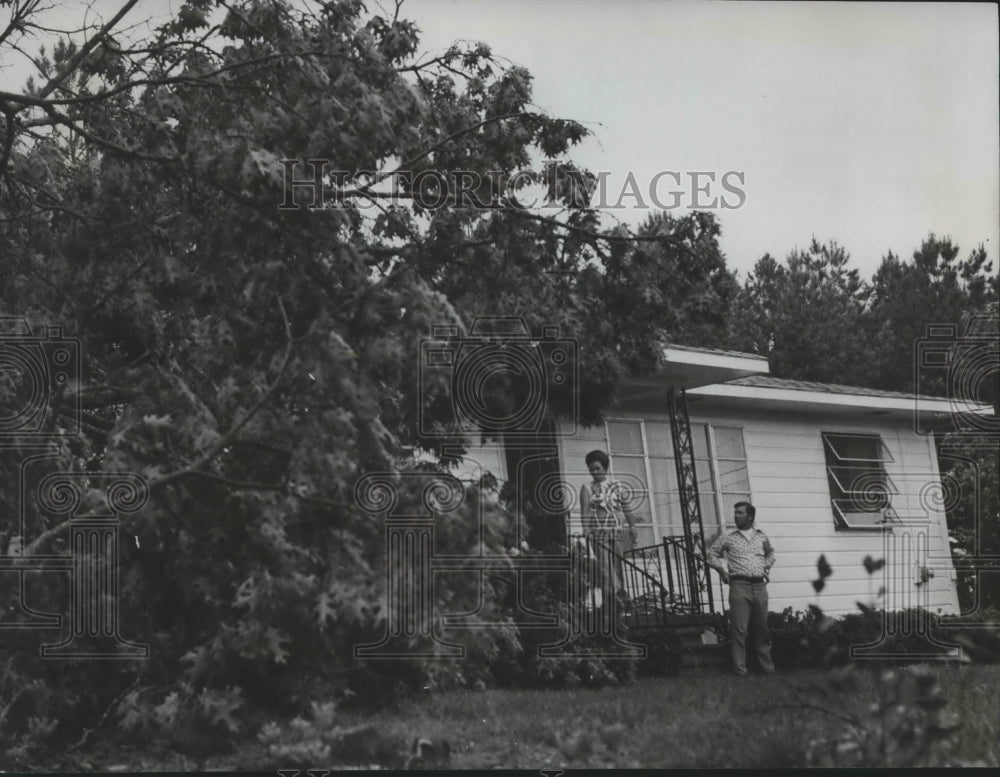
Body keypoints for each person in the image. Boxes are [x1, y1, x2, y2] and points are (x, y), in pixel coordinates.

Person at [706, 501, 776, 676]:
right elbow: (711, 553)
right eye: (735, 513)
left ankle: (767, 669)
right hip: (739, 586)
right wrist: (722, 571)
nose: (736, 516)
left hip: (760, 586)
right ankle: (740, 670)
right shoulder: (728, 536)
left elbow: (770, 554)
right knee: (739, 629)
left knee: (761, 629)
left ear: (750, 516)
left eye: (740, 513)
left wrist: (765, 568)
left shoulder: (761, 536)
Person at [579, 449, 638, 607]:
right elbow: (585, 511)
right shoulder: (587, 487)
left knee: (617, 565)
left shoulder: (616, 486)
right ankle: (611, 600)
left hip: (617, 532)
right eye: (591, 469)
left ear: (605, 468)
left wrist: (632, 526)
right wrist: (586, 530)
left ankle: (619, 596)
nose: (594, 472)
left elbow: (626, 507)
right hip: (598, 533)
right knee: (605, 567)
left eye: (597, 468)